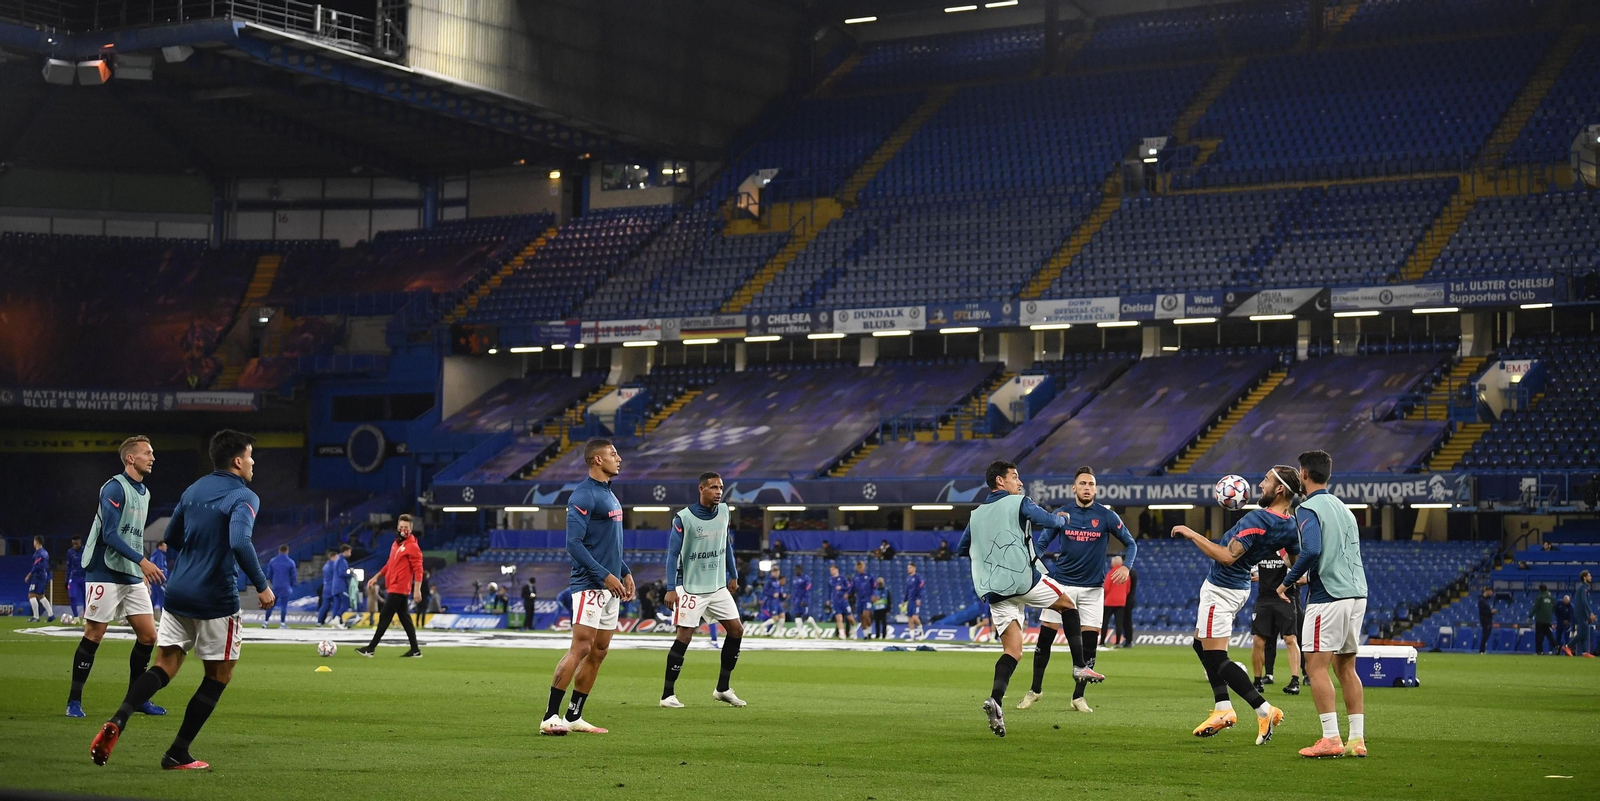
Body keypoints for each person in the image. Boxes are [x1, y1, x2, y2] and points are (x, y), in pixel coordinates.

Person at [90, 429, 275, 770]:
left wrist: (197, 556)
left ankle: (119, 718)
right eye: (250, 456)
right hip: (216, 596)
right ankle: (177, 752)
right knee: (219, 674)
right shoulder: (244, 496)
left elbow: (172, 536)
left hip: (179, 592)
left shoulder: (193, 490)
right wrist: (262, 585)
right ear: (237, 461)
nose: (252, 463)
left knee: (165, 664)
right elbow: (240, 541)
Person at [959, 460, 1103, 737]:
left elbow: (962, 547)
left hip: (994, 589)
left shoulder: (976, 514)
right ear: (1001, 481)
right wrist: (1063, 519)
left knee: (1013, 651)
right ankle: (1079, 666)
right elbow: (1049, 521)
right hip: (1021, 579)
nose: (1020, 482)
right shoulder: (1019, 502)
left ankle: (996, 700)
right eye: (1015, 477)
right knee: (1067, 605)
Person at [1176, 465, 1301, 747]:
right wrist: (1288, 584)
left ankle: (1264, 710)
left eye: (1266, 480)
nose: (1260, 485)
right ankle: (1222, 708)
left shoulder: (1257, 519)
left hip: (1221, 589)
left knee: (1217, 659)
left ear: (1280, 489)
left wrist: (1192, 534)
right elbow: (1298, 565)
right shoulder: (1289, 524)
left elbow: (1226, 556)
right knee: (1201, 645)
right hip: (1240, 587)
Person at [66, 435, 169, 720]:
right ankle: (74, 700)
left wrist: (139, 570)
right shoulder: (114, 487)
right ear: (130, 458)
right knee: (95, 633)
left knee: (149, 637)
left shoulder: (145, 493)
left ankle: (136, 699)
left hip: (131, 573)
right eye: (147, 453)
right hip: (104, 570)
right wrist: (144, 562)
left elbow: (132, 537)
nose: (153, 457)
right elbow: (110, 535)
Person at [1277, 450, 1369, 758]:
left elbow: (1313, 549)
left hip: (1328, 597)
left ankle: (1330, 738)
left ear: (1303, 474)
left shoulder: (1308, 508)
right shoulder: (1344, 509)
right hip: (1356, 594)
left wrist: (1289, 580)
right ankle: (1357, 740)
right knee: (1346, 667)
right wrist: (1311, 576)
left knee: (1314, 666)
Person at [1022, 465, 1135, 713]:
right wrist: (1031, 565)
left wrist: (1126, 566)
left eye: (1091, 484)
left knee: (1090, 644)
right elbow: (1041, 545)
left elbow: (1131, 543)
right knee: (1046, 636)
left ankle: (1078, 697)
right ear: (1074, 487)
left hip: (1092, 590)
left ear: (1096, 488)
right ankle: (1035, 690)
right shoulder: (1062, 514)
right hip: (1060, 585)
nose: (1087, 488)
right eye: (1082, 484)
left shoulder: (1107, 516)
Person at [542, 439, 634, 736]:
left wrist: (624, 571)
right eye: (613, 454)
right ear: (596, 459)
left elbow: (610, 545)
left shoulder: (609, 494)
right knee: (581, 647)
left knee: (600, 651)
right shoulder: (583, 495)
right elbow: (573, 544)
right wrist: (605, 575)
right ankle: (549, 717)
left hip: (609, 585)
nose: (618, 458)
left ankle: (573, 716)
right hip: (589, 585)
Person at [660, 472, 746, 708]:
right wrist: (670, 588)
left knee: (736, 630)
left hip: (717, 585)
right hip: (690, 587)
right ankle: (667, 695)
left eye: (721, 487)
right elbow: (672, 554)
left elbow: (725, 544)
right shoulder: (683, 518)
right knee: (684, 637)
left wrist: (734, 573)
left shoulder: (725, 512)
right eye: (713, 487)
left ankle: (723, 688)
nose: (718, 491)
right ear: (701, 489)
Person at [355, 514, 424, 658]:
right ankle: (415, 650)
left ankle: (371, 648)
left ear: (411, 529)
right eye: (401, 527)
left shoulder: (412, 547)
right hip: (393, 585)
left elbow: (418, 569)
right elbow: (389, 565)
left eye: (406, 527)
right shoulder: (396, 544)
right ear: (398, 527)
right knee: (405, 618)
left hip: (399, 587)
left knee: (385, 616)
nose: (403, 529)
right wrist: (376, 576)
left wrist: (417, 589)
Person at [1251, 547, 1303, 695]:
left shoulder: (1288, 549)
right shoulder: (1261, 547)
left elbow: (1297, 570)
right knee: (1258, 640)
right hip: (1264, 598)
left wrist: (1285, 556)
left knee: (1290, 639)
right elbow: (1251, 568)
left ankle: (1295, 681)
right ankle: (1257, 681)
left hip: (1286, 597)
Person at [264, 545, 296, 629]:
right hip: (286, 586)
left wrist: (273, 582)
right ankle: (282, 624)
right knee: (284, 605)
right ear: (287, 551)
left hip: (275, 586)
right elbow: (293, 576)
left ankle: (265, 622)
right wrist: (290, 585)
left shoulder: (273, 561)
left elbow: (269, 574)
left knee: (271, 604)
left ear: (279, 550)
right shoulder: (290, 562)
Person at [318, 546, 350, 628]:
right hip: (337, 586)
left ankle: (323, 622)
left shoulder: (326, 565)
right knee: (346, 603)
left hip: (330, 587)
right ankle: (337, 619)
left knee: (334, 604)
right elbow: (341, 573)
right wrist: (351, 574)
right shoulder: (340, 561)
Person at [1102, 555, 1130, 647]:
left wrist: (1105, 597)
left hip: (1109, 601)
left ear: (1113, 563)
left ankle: (1102, 642)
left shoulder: (1110, 573)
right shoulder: (1126, 574)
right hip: (1121, 601)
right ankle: (1118, 642)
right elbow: (1128, 589)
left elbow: (1106, 587)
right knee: (1119, 623)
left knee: (1105, 622)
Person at [27, 535, 54, 622]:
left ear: (37, 542)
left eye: (34, 541)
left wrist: (29, 575)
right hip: (43, 575)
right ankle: (51, 615)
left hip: (38, 576)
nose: (33, 543)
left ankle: (36, 617)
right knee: (40, 596)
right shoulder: (45, 552)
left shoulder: (39, 553)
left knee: (31, 594)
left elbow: (37, 566)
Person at [1569, 571, 1594, 657]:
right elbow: (1584, 601)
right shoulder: (1583, 588)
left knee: (1585, 632)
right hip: (1581, 613)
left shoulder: (1584, 587)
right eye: (1589, 576)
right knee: (1583, 633)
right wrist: (1590, 613)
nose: (1591, 577)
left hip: (1583, 613)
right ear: (1584, 577)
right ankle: (1567, 646)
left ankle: (1584, 652)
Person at [851, 561, 875, 639]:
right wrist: (847, 594)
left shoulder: (870, 576)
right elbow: (852, 589)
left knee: (866, 614)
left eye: (861, 567)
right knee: (861, 617)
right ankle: (865, 634)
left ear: (864, 567)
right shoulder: (855, 578)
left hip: (867, 598)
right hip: (859, 599)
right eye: (858, 568)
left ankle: (870, 631)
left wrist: (873, 595)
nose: (859, 569)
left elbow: (874, 586)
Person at [827, 563, 852, 639]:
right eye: (830, 570)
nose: (831, 571)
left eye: (832, 569)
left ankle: (853, 629)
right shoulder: (830, 580)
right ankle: (842, 634)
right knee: (838, 617)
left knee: (850, 618)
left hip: (844, 600)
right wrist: (828, 599)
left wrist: (841, 588)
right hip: (836, 600)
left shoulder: (842, 578)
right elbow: (829, 590)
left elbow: (849, 587)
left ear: (836, 569)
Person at [1532, 585, 1557, 655]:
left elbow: (1535, 607)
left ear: (1540, 590)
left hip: (1540, 619)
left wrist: (1530, 616)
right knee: (1549, 634)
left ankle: (1539, 651)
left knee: (1539, 636)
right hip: (1547, 619)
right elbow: (1553, 608)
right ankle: (1556, 646)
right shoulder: (1551, 598)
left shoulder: (1540, 597)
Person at [65, 536, 85, 621]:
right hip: (73, 577)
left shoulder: (85, 550)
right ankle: (76, 617)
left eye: (76, 543)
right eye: (73, 544)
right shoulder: (70, 552)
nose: (74, 545)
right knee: (72, 596)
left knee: (86, 597)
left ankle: (86, 617)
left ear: (80, 542)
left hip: (84, 576)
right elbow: (68, 566)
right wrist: (66, 580)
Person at [903, 563, 925, 637]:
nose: (908, 569)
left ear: (914, 568)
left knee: (914, 617)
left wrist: (919, 598)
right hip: (910, 600)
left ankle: (921, 633)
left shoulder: (918, 578)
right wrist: (904, 600)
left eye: (910, 568)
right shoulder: (908, 578)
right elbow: (907, 590)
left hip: (915, 600)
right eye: (908, 568)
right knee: (910, 618)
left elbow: (921, 589)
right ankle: (912, 636)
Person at [149, 542, 169, 614]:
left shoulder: (154, 554)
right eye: (165, 545)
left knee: (153, 598)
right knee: (162, 598)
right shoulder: (160, 555)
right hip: (159, 580)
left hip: (154, 580)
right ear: (160, 546)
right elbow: (160, 567)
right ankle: (163, 616)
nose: (166, 547)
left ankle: (149, 615)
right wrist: (163, 580)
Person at [1477, 588, 1495, 654]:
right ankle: (1481, 650)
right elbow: (1483, 611)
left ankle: (1482, 650)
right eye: (1491, 592)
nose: (1492, 594)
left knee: (1486, 636)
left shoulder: (1484, 600)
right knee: (1485, 635)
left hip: (1487, 620)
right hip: (1485, 620)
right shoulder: (1482, 600)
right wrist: (1490, 612)